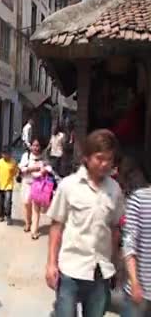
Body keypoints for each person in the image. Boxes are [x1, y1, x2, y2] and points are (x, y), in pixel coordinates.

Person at [45, 129, 124, 317]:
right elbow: (56, 227)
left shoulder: (115, 190)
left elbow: (114, 230)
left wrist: (116, 266)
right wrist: (51, 264)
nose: (104, 164)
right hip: (71, 270)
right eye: (99, 158)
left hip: (100, 272)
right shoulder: (69, 186)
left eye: (109, 159)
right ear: (87, 157)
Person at [119, 160, 151, 317]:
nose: (133, 178)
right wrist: (134, 281)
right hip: (141, 289)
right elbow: (129, 243)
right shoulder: (138, 199)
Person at [19, 138, 52, 239]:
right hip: (26, 184)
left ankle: (34, 231)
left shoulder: (44, 157)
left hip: (38, 185)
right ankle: (28, 223)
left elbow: (49, 167)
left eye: (38, 145)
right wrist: (33, 168)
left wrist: (44, 170)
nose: (36, 148)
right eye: (34, 145)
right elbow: (21, 168)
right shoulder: (26, 156)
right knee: (26, 204)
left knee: (36, 209)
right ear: (31, 146)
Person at [0, 146, 19, 225]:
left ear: (10, 154)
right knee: (0, 202)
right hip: (0, 186)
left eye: (7, 154)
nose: (5, 155)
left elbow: (16, 172)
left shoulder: (13, 162)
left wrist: (17, 175)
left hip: (9, 186)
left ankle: (8, 216)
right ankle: (1, 215)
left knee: (8, 201)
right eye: (4, 154)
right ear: (2, 154)